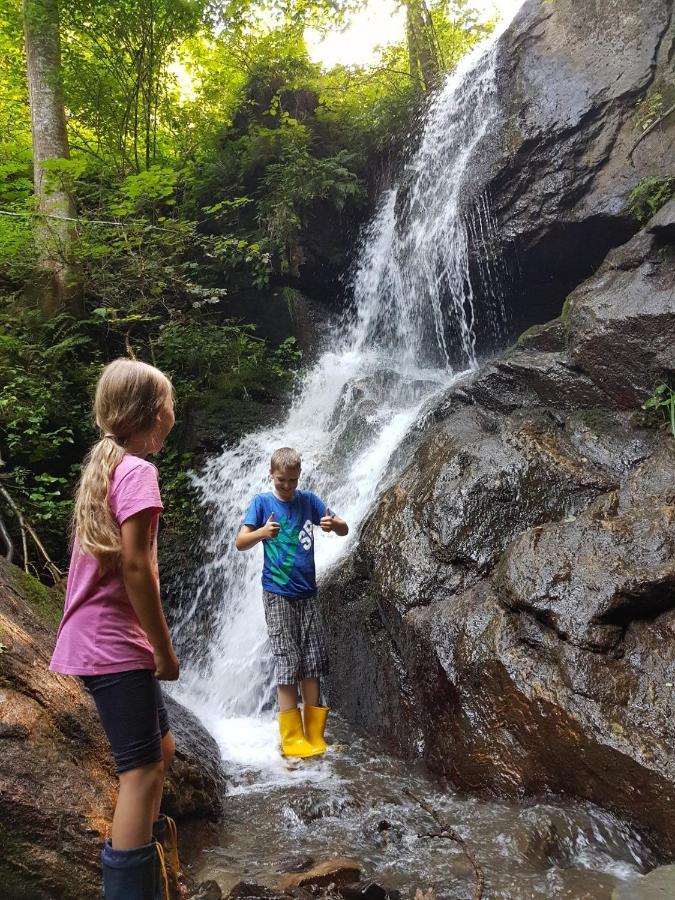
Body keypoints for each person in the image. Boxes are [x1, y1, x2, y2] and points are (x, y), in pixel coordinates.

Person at [50, 358, 181, 900]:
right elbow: (134, 568)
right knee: (141, 772)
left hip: (100, 640)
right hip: (114, 646)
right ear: (154, 414)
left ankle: (150, 864)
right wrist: (163, 649)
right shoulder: (139, 473)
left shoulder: (109, 467)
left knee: (164, 750)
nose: (175, 412)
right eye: (170, 402)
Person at [235, 447, 348, 758]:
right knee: (288, 661)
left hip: (307, 593)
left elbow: (343, 526)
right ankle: (291, 737)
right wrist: (262, 532)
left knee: (312, 662)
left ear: (299, 477)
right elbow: (240, 542)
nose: (287, 486)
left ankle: (314, 735)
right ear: (272, 475)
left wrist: (331, 525)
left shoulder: (308, 501)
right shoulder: (262, 503)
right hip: (277, 594)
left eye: (293, 480)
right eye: (282, 480)